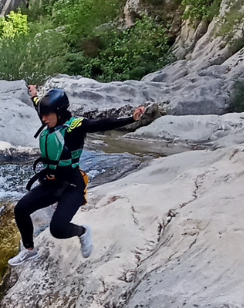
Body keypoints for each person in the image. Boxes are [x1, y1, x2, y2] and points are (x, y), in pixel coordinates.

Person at [9, 86, 146, 266]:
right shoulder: (50, 120)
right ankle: (29, 250)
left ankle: (83, 232)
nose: (43, 118)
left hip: (72, 186)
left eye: (47, 114)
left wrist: (131, 118)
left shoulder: (76, 127)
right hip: (52, 183)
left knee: (57, 229)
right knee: (21, 209)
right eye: (42, 114)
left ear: (58, 112)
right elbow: (38, 106)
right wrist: (34, 95)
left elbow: (102, 123)